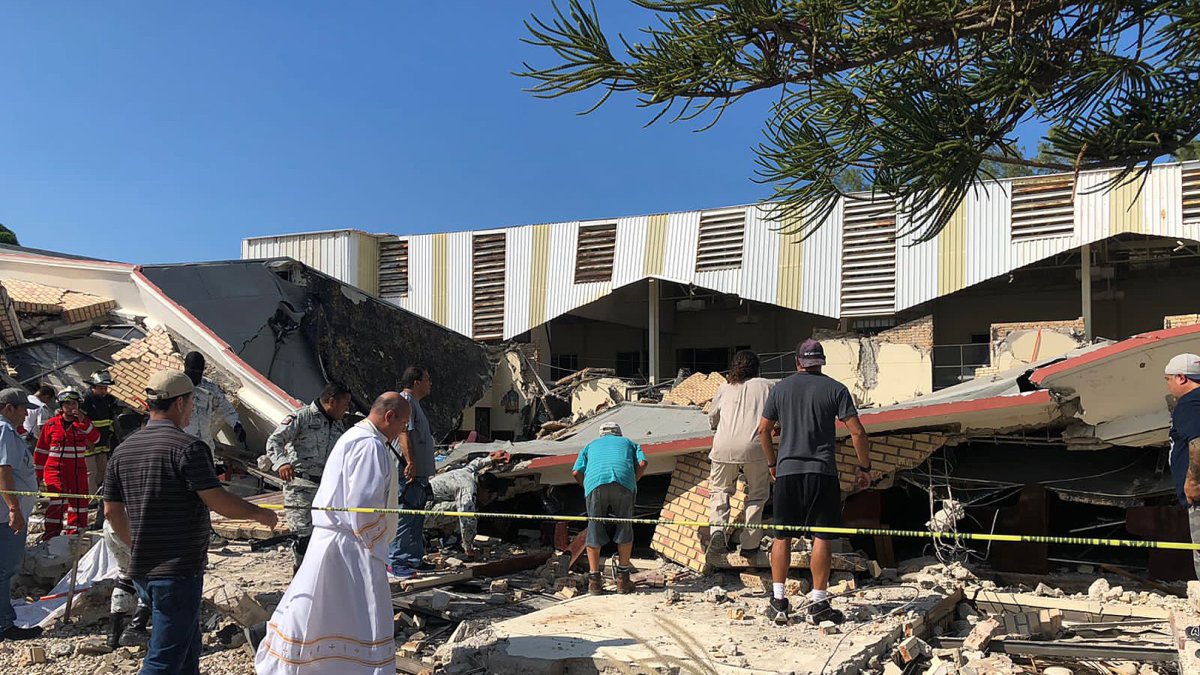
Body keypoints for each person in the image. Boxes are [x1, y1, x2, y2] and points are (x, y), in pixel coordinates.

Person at [103, 370, 277, 675]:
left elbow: (110, 512)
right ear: (181, 403)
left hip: (144, 568)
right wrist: (259, 513)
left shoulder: (122, 451)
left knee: (187, 647)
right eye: (192, 402)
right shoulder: (187, 448)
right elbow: (218, 501)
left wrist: (136, 543)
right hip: (177, 569)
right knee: (164, 659)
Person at [253, 392, 410, 675]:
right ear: (389, 417)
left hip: (336, 539)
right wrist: (378, 544)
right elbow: (362, 505)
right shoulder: (370, 446)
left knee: (319, 606)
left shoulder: (353, 437)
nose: (403, 431)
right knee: (358, 612)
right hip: (351, 545)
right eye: (403, 424)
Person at [757, 338, 871, 626]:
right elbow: (857, 433)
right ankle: (819, 604)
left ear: (797, 362)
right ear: (820, 362)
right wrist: (864, 467)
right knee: (822, 536)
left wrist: (772, 462)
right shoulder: (836, 389)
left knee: (782, 535)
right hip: (822, 472)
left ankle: (779, 601)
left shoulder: (780, 389)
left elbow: (763, 430)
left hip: (787, 471)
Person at [263, 381, 352, 571]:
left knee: (323, 538)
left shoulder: (338, 426)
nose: (346, 410)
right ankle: (300, 581)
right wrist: (282, 463)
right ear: (331, 402)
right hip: (301, 488)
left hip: (326, 490)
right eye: (344, 405)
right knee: (303, 539)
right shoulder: (302, 417)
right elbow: (275, 440)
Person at [707, 350, 774, 557]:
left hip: (723, 446)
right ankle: (750, 544)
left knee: (720, 490)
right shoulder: (768, 386)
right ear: (757, 368)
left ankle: (718, 530)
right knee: (757, 495)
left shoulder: (724, 388)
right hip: (755, 446)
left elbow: (712, 418)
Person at [572, 421, 647, 595]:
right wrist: (632, 481)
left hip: (594, 485)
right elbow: (643, 463)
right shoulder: (629, 443)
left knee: (594, 529)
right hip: (624, 483)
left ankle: (594, 583)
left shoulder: (589, 446)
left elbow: (575, 472)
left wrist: (587, 486)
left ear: (601, 435)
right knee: (624, 528)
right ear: (618, 434)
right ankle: (622, 580)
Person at [0, 387, 42, 640]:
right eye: (23, 408)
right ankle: (4, 624)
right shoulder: (4, 430)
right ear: (8, 408)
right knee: (4, 570)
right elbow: (4, 470)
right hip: (5, 516)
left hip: (6, 513)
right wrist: (15, 509)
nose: (26, 414)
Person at [387, 366, 437, 579]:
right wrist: (410, 461)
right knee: (405, 516)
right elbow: (403, 432)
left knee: (416, 517)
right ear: (416, 382)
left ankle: (413, 558)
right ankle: (396, 560)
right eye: (427, 379)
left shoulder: (414, 404)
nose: (430, 384)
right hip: (409, 473)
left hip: (419, 474)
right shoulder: (405, 402)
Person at [36, 388, 99, 539]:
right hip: (55, 470)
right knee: (58, 500)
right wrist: (37, 475)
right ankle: (50, 537)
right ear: (61, 405)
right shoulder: (51, 424)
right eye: (67, 404)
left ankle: (74, 536)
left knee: (79, 503)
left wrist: (83, 421)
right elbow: (41, 451)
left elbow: (96, 438)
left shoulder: (83, 423)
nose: (71, 407)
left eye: (74, 403)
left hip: (77, 471)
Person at [424, 450, 510, 557]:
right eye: (489, 496)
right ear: (486, 490)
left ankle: (446, 537)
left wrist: (491, 459)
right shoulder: (467, 488)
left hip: (425, 504)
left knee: (463, 508)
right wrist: (468, 547)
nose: (488, 500)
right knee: (468, 511)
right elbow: (467, 520)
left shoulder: (468, 472)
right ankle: (451, 543)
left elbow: (476, 463)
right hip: (422, 515)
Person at [1164, 353, 1200, 579]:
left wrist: (1193, 481)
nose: (1168, 386)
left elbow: (1198, 442)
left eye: (1167, 379)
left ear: (1181, 378)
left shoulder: (1190, 404)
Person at [181, 352, 245, 466]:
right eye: (192, 372)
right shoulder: (177, 387)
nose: (195, 376)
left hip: (205, 444)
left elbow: (225, 407)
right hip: (183, 444)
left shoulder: (209, 386)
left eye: (198, 372)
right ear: (185, 368)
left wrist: (236, 425)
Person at [82, 370, 122, 528]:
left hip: (104, 441)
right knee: (90, 472)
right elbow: (82, 422)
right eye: (101, 388)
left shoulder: (108, 400)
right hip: (90, 442)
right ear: (93, 387)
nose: (104, 391)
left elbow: (109, 420)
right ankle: (91, 501)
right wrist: (88, 439)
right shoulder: (86, 400)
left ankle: (100, 498)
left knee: (102, 471)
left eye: (106, 388)